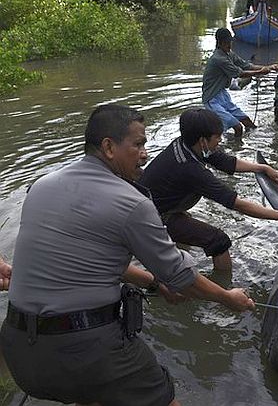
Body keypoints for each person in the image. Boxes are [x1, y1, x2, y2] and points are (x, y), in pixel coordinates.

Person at [0, 104, 254, 406]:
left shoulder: (40, 187)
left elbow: (94, 260)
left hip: (20, 356)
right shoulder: (132, 202)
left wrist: (151, 282)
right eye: (138, 144)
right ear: (109, 147)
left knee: (94, 393)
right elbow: (181, 276)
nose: (145, 153)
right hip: (88, 350)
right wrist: (229, 298)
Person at [139, 108, 278, 272]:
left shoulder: (187, 144)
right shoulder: (191, 169)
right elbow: (236, 203)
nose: (220, 140)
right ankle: (224, 289)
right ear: (203, 140)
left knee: (185, 228)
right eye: (218, 137)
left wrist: (262, 168)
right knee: (218, 241)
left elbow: (226, 162)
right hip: (151, 218)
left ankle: (178, 263)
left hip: (154, 206)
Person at [202, 27, 278, 138]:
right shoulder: (219, 59)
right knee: (238, 127)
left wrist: (269, 67)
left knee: (247, 121)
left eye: (230, 42)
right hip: (212, 98)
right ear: (220, 43)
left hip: (222, 94)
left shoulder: (229, 54)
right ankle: (234, 149)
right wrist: (260, 72)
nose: (229, 45)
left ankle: (245, 143)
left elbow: (246, 65)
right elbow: (239, 73)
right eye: (226, 43)